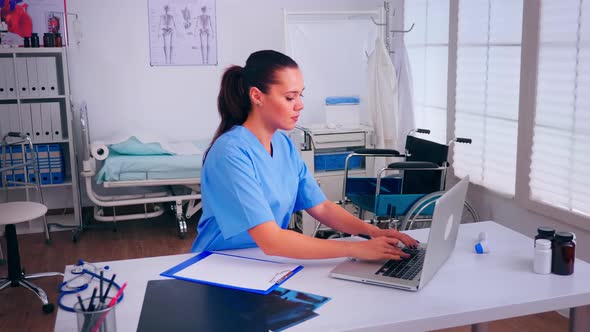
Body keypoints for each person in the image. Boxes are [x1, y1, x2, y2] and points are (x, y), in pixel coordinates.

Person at [191, 50, 417, 261]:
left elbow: (321, 207)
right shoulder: (230, 153)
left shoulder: (282, 144)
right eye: (290, 98)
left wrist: (372, 232)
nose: (299, 105)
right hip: (219, 264)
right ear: (257, 96)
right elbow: (272, 240)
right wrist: (354, 248)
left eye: (300, 95)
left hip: (264, 261)